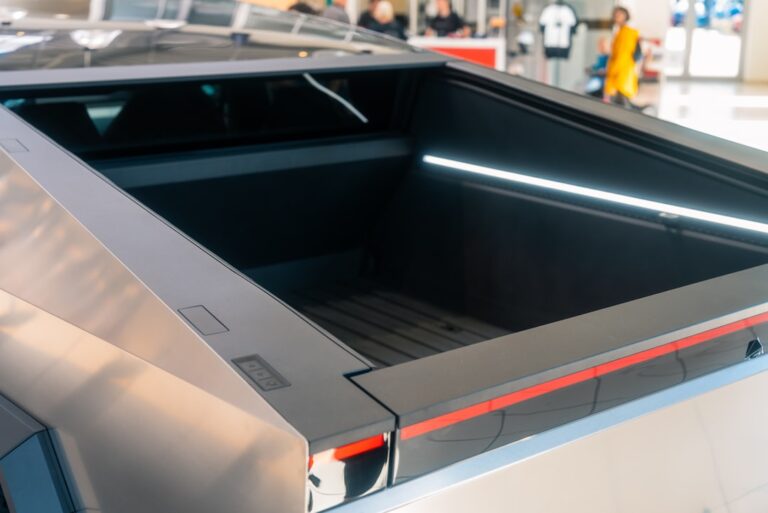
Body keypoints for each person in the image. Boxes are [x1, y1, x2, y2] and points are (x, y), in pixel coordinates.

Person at [604, 6, 640, 107]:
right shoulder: (620, 32)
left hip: (621, 76)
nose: (616, 17)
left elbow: (622, 56)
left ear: (625, 16)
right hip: (621, 74)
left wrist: (612, 73)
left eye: (619, 14)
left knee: (621, 107)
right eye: (615, 15)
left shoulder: (627, 33)